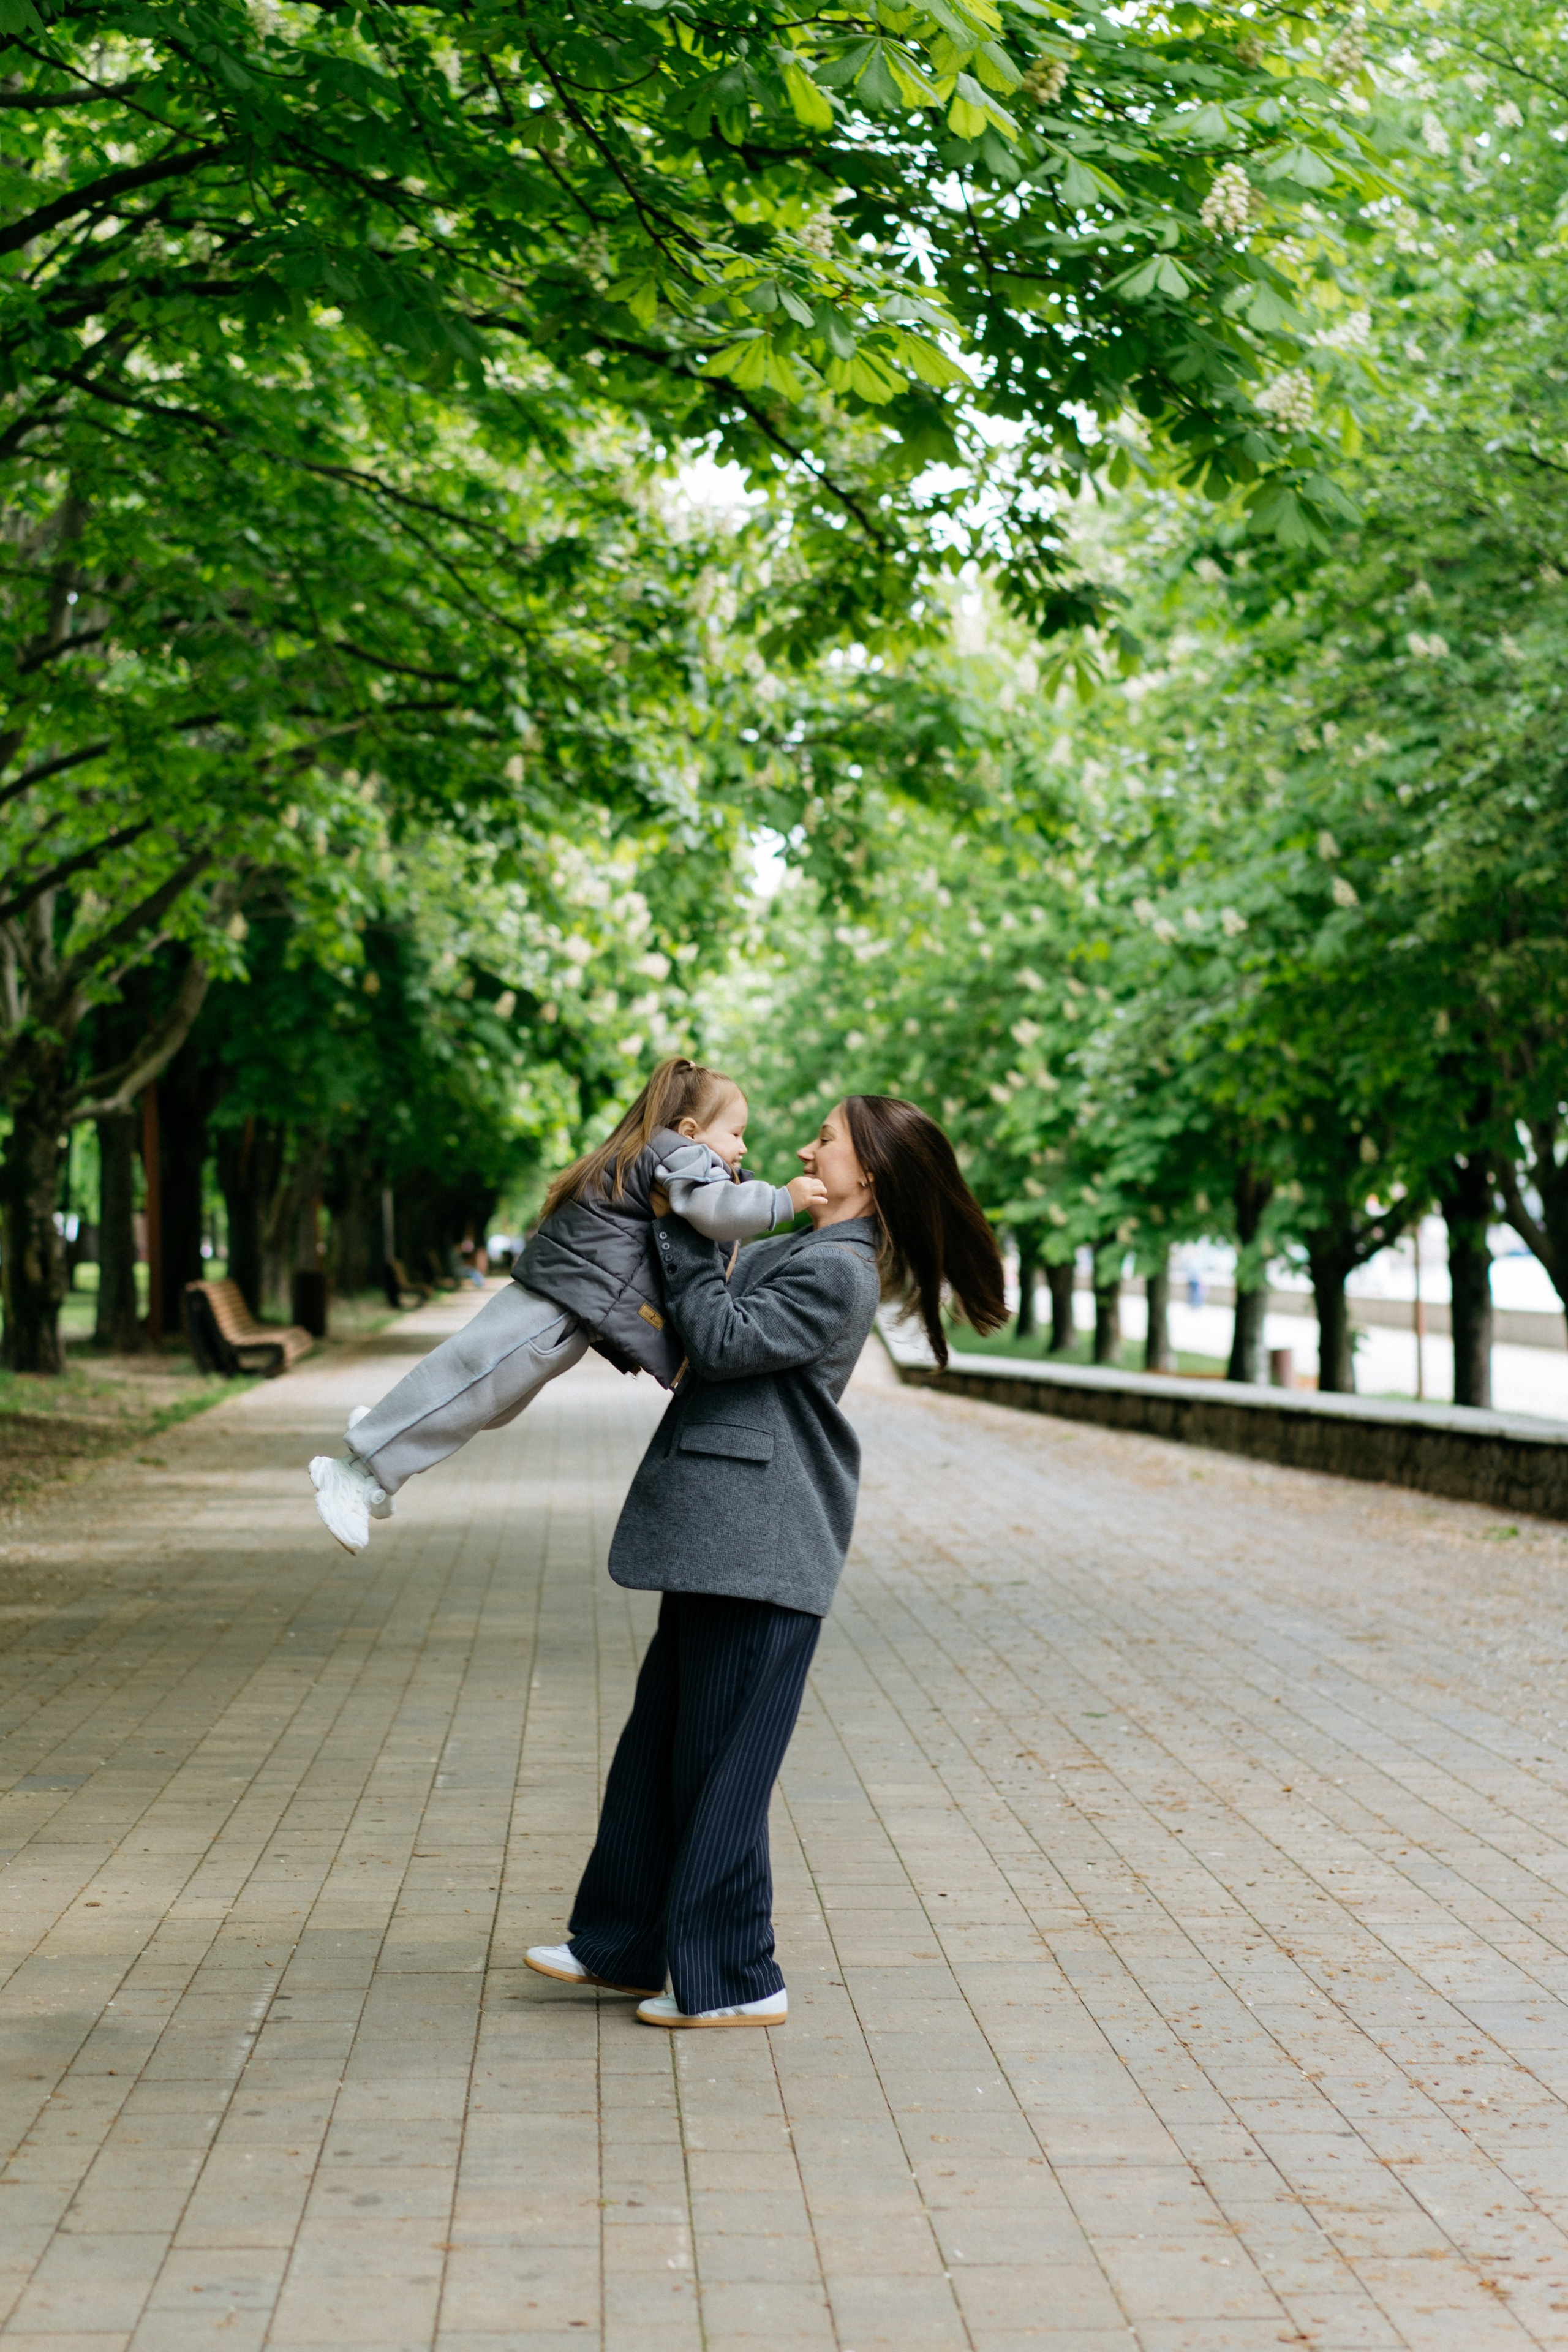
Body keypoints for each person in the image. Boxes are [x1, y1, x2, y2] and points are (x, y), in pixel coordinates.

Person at [524, 1094, 1006, 2029]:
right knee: (660, 1750)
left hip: (764, 1544)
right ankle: (622, 1946)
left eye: (827, 1140)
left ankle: (737, 1977)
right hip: (727, 1536)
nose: (806, 1151)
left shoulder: (840, 1270)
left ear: (870, 1172)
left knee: (720, 1770)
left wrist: (687, 1229)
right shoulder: (805, 1250)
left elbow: (721, 1341)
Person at [309, 1058, 826, 1553]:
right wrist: (783, 1200)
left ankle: (388, 1432)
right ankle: (356, 1471)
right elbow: (715, 1211)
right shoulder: (683, 1156)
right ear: (691, 1130)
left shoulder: (662, 1153)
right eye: (736, 1133)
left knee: (490, 1403)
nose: (743, 1147)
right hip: (564, 1299)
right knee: (473, 1382)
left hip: (573, 1301)